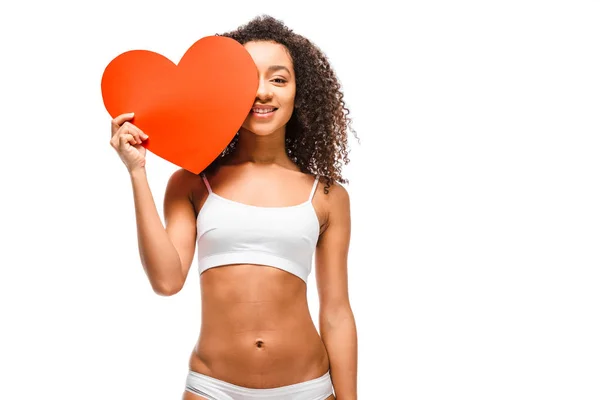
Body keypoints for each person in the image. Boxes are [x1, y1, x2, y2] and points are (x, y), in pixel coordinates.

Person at [109, 15, 358, 400]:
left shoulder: (326, 196)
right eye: (247, 81)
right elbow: (166, 280)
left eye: (278, 79)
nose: (262, 93)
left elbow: (337, 312)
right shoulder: (192, 183)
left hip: (308, 387)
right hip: (212, 388)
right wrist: (137, 173)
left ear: (299, 92)